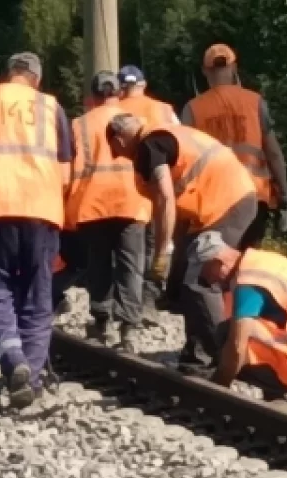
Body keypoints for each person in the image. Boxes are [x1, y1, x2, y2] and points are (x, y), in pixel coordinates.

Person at [0, 52, 72, 408]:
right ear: (36, 78)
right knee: (37, 298)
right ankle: (31, 381)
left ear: (9, 73)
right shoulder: (51, 107)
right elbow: (66, 174)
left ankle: (13, 360)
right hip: (41, 210)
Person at [106, 113, 258, 367]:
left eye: (116, 149)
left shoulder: (149, 146)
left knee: (200, 278)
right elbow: (176, 199)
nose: (119, 155)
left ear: (120, 139)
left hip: (226, 204)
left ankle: (226, 356)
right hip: (223, 202)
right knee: (186, 275)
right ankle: (197, 352)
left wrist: (163, 251)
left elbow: (165, 197)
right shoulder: (164, 135)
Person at [187, 232, 287, 401]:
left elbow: (236, 347)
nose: (209, 282)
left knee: (229, 337)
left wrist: (218, 388)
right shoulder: (262, 260)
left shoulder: (248, 284)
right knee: (240, 331)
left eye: (205, 274)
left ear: (217, 264)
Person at [65, 72, 150, 351]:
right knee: (130, 266)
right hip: (133, 200)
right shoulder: (136, 120)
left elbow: (67, 169)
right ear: (118, 92)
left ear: (92, 95)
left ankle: (101, 322)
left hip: (94, 201)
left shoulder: (78, 125)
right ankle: (129, 329)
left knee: (98, 263)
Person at [182, 44, 287, 246]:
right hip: (253, 194)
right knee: (246, 262)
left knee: (215, 264)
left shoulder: (193, 109)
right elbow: (273, 153)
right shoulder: (255, 102)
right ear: (234, 67)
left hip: (212, 200)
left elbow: (185, 163)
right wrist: (285, 197)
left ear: (205, 71)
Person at [116, 64, 178, 322]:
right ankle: (150, 299)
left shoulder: (116, 110)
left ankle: (128, 307)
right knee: (156, 243)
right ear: (142, 84)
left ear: (121, 87)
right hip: (160, 188)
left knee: (128, 254)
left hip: (124, 190)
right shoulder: (163, 109)